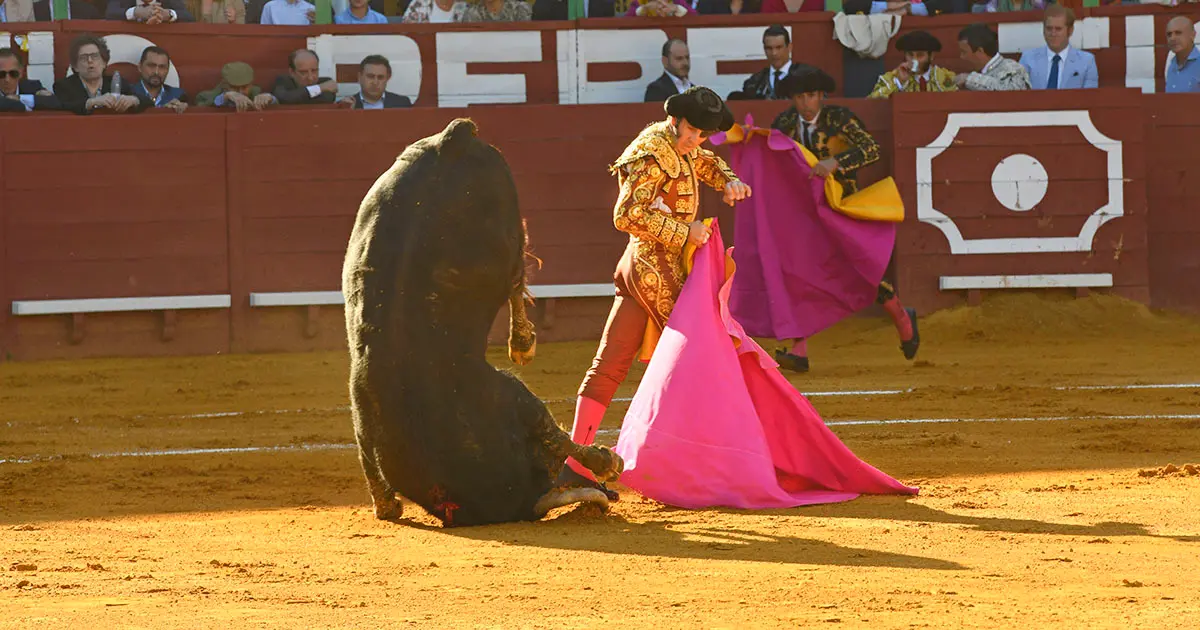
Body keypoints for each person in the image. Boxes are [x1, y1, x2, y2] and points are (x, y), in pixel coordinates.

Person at [559, 86, 752, 499]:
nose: (695, 141)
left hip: (645, 270)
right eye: (692, 132)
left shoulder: (682, 145)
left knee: (611, 364)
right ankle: (690, 465)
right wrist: (686, 231)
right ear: (675, 119)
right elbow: (625, 214)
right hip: (655, 270)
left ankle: (576, 464)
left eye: (703, 134)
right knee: (696, 361)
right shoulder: (651, 150)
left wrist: (730, 180)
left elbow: (706, 162)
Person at [769, 65, 919, 372]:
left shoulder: (840, 118)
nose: (806, 103)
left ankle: (903, 318)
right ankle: (799, 349)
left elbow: (871, 149)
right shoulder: (784, 123)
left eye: (811, 95)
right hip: (805, 213)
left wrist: (836, 161)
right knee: (798, 274)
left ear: (821, 95)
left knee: (862, 274)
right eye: (800, 96)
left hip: (843, 205)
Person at [868, 29, 957, 98]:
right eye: (910, 55)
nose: (914, 60)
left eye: (920, 55)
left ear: (931, 56)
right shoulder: (892, 78)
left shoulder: (946, 77)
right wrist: (899, 83)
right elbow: (872, 102)